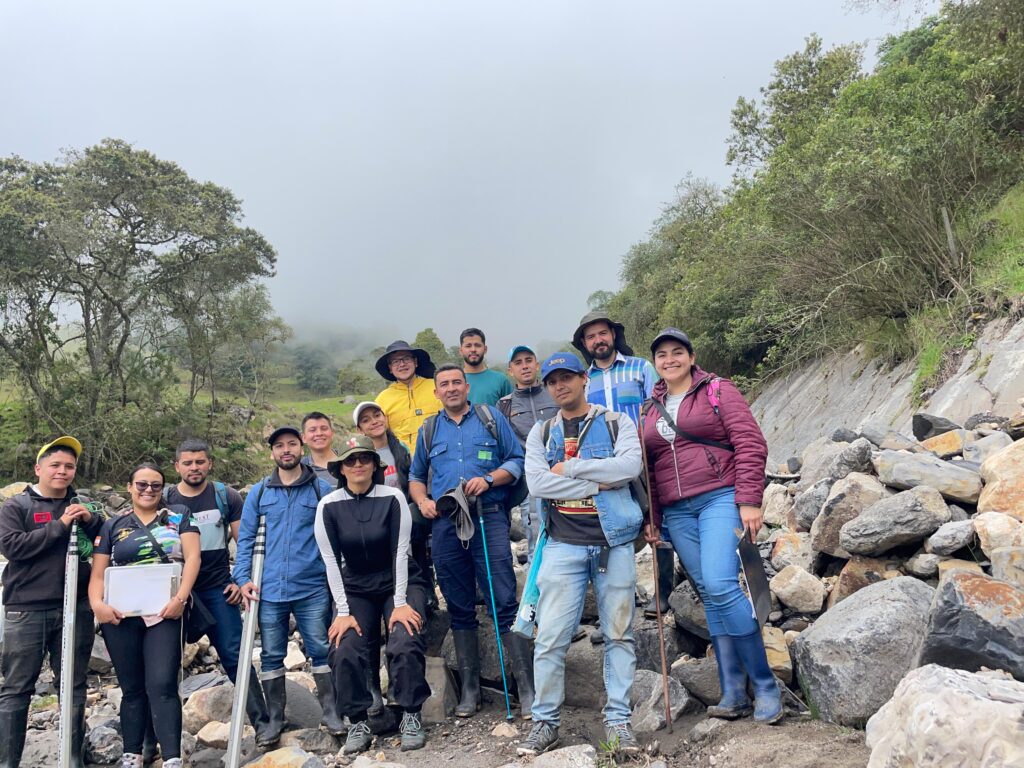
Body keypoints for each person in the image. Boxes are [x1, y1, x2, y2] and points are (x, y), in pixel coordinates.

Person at [640, 328, 781, 724]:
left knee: (720, 584)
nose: (669, 359)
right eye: (662, 354)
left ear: (691, 355)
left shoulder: (717, 390)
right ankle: (732, 690)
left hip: (719, 496)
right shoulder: (649, 409)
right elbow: (649, 471)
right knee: (709, 591)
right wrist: (653, 519)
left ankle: (765, 684)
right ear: (655, 362)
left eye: (676, 352)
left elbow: (750, 443)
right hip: (677, 512)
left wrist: (750, 499)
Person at [518, 353, 644, 757]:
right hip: (561, 544)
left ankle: (619, 720)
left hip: (615, 542)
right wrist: (596, 484)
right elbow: (537, 485)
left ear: (583, 378)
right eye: (552, 380)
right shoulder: (540, 433)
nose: (559, 386)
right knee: (551, 636)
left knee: (619, 634)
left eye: (567, 377)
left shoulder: (615, 422)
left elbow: (629, 466)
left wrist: (571, 470)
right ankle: (545, 722)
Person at [408, 364, 534, 719]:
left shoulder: (490, 417)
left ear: (467, 387)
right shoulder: (429, 429)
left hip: (489, 517)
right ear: (436, 392)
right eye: (443, 384)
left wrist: (490, 479)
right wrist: (422, 501)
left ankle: (526, 688)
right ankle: (470, 692)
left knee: (504, 601)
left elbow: (516, 461)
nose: (450, 388)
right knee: (459, 605)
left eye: (456, 383)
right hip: (446, 525)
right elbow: (416, 477)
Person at [315, 436, 432, 755]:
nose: (357, 465)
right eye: (350, 461)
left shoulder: (393, 497)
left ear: (374, 464)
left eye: (364, 458)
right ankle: (357, 721)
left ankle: (410, 714)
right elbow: (330, 561)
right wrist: (342, 611)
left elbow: (400, 552)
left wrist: (400, 603)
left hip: (401, 579)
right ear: (340, 468)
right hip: (355, 586)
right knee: (345, 645)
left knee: (404, 637)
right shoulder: (328, 506)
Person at [0, 437, 104, 768]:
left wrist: (90, 521)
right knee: (17, 689)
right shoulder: (16, 507)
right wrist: (60, 526)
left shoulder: (84, 506)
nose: (62, 471)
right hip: (26, 609)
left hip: (77, 608)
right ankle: (7, 761)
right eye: (55, 465)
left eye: (69, 466)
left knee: (73, 686)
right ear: (39, 469)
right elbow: (14, 547)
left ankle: (72, 758)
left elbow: (108, 540)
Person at [88, 463, 201, 768]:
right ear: (129, 487)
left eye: (155, 485)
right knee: (132, 687)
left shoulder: (179, 516)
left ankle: (173, 757)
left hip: (165, 611)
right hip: (121, 614)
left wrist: (181, 598)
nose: (148, 490)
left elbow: (193, 558)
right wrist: (97, 604)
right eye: (141, 485)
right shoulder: (113, 525)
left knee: (163, 684)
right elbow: (98, 572)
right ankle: (132, 753)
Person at [233, 426, 341, 744]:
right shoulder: (260, 492)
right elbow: (247, 540)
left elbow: (332, 540)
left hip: (311, 586)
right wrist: (242, 578)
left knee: (321, 648)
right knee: (270, 655)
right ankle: (275, 719)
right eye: (279, 446)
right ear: (272, 453)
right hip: (268, 589)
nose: (286, 450)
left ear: (301, 447)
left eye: (291, 444)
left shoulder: (321, 490)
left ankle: (331, 712)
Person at [165, 438, 271, 742]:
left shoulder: (226, 496)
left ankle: (263, 724)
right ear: (177, 466)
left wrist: (240, 580)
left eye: (200, 461)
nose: (194, 467)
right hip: (175, 592)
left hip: (217, 590)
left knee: (236, 656)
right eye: (188, 462)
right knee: (163, 662)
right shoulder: (165, 499)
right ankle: (158, 738)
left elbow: (244, 542)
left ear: (209, 463)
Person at [571, 311, 672, 618]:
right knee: (611, 527)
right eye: (591, 336)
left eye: (603, 333)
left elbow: (659, 408)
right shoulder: (584, 381)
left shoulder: (640, 368)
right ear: (584, 344)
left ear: (613, 335)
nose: (598, 340)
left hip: (644, 457)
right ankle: (614, 606)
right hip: (604, 469)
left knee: (657, 521)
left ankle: (663, 593)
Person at [353, 400, 436, 714]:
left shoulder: (400, 450)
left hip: (405, 525)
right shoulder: (358, 458)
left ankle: (423, 608)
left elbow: (413, 479)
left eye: (377, 415)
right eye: (366, 419)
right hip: (372, 535)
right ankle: (375, 686)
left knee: (415, 567)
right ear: (359, 428)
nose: (374, 421)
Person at [497, 344, 559, 564]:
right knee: (534, 529)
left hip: (562, 471)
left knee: (571, 525)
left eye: (528, 360)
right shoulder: (504, 405)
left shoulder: (555, 394)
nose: (524, 366)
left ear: (537, 365)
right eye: (518, 362)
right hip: (529, 477)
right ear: (510, 370)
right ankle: (537, 589)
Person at [374, 340, 442, 455]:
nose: (402, 364)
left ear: (415, 362)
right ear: (390, 368)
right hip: (404, 465)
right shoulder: (382, 399)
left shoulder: (437, 386)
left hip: (440, 458)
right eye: (395, 361)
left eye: (406, 359)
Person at [458, 328, 512, 406]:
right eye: (468, 346)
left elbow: (510, 413)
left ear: (485, 349)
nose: (473, 349)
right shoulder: (454, 382)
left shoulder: (500, 380)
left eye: (477, 345)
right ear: (461, 351)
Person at [301, 411, 339, 488]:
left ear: (332, 433)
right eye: (312, 430)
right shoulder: (300, 469)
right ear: (304, 438)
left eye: (324, 428)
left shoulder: (349, 460)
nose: (319, 433)